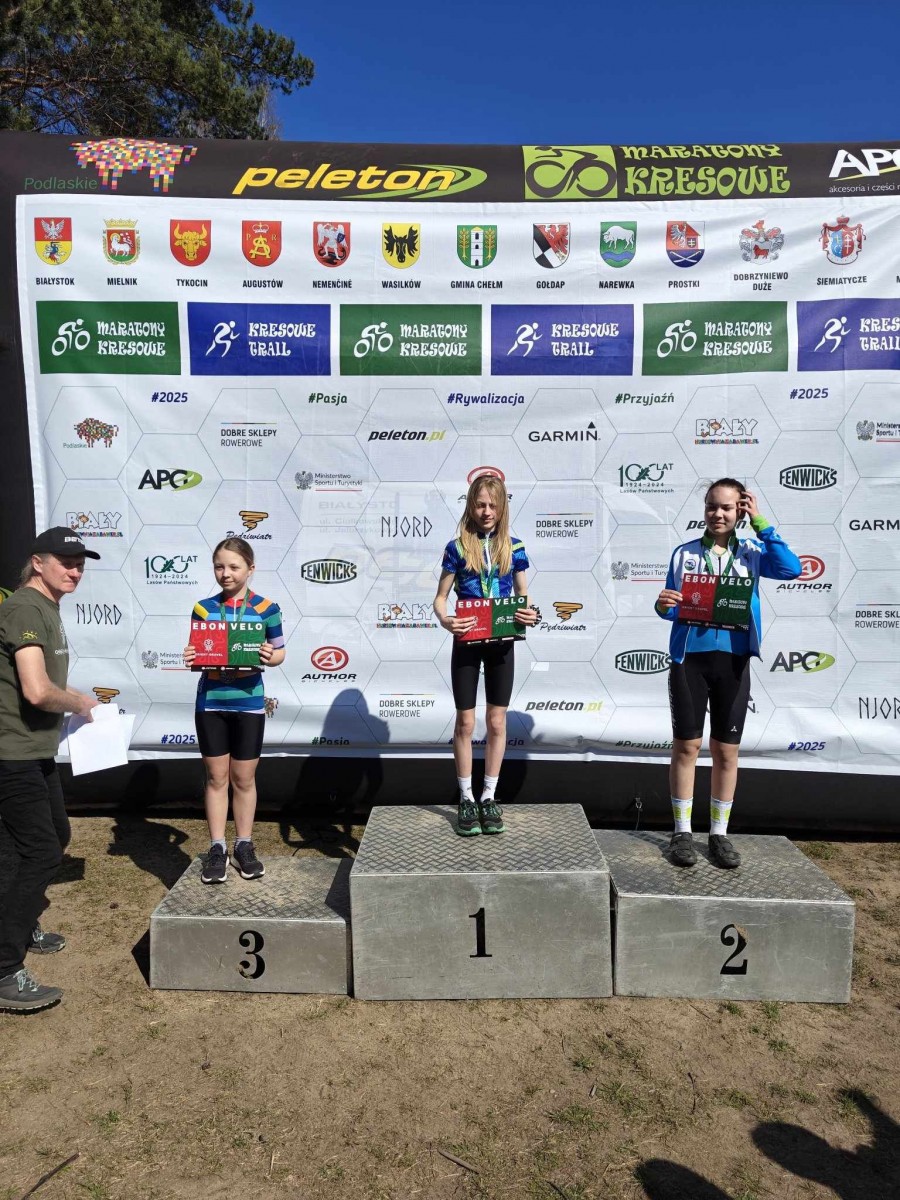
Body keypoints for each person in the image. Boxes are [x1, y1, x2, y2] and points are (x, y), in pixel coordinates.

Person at [655, 479, 801, 869]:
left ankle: (718, 835)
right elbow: (672, 607)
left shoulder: (753, 551)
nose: (718, 514)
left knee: (726, 751)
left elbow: (791, 569)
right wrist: (663, 605)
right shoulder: (684, 553)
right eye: (711, 506)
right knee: (686, 747)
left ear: (740, 510)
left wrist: (762, 524)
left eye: (727, 507)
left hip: (733, 662)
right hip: (690, 661)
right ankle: (682, 832)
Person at [0, 528, 100, 1013]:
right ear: (37, 562)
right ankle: (4, 968)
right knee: (38, 852)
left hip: (35, 751)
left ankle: (15, 925)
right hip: (11, 754)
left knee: (50, 837)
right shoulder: (24, 608)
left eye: (80, 562)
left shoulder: (47, 608)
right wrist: (79, 704)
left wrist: (79, 700)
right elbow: (37, 691)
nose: (75, 570)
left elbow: (44, 684)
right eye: (65, 561)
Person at [434, 474, 538, 836]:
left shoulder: (515, 546)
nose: (487, 511)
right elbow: (440, 598)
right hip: (467, 639)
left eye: (493, 505)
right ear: (470, 506)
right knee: (465, 723)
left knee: (496, 722)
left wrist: (529, 612)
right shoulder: (457, 547)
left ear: (503, 507)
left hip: (502, 641)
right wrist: (447, 621)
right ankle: (466, 797)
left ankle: (489, 796)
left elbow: (523, 595)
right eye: (480, 505)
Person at [183, 538, 285, 883]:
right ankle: (217, 848)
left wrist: (272, 656)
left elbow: (280, 651)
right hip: (211, 702)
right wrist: (191, 657)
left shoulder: (267, 608)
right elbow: (197, 653)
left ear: (250, 569)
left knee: (244, 778)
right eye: (219, 566)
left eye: (233, 566)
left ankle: (244, 844)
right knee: (216, 778)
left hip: (249, 702)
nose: (225, 573)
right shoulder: (202, 608)